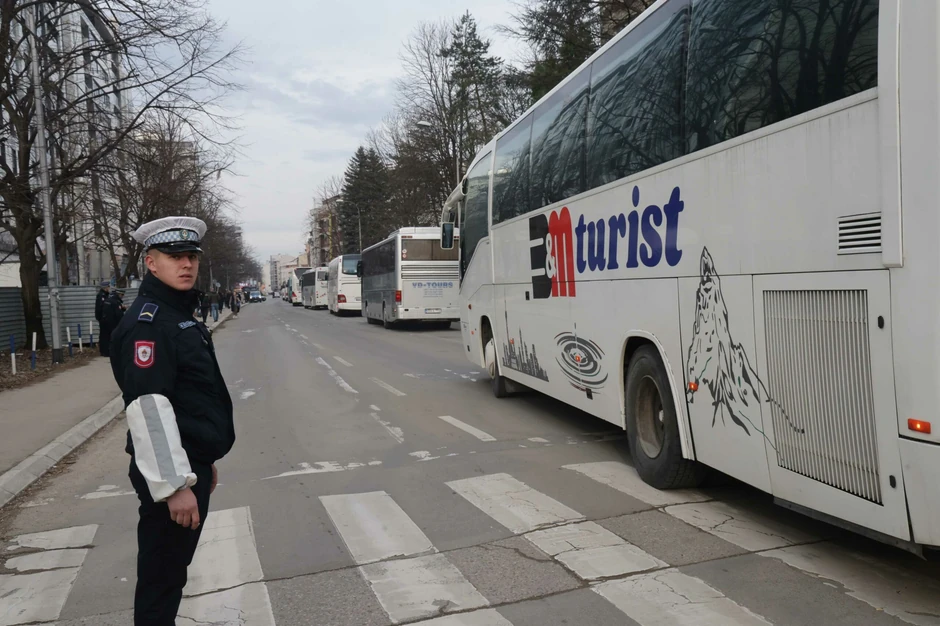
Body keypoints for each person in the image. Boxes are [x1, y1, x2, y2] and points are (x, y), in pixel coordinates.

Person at [109, 216, 235, 626]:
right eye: (174, 256)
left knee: (170, 574)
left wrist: (203, 459)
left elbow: (189, 400)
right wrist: (175, 484)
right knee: (161, 581)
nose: (186, 265)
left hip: (187, 465)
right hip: (172, 478)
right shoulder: (150, 323)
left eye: (191, 257)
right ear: (150, 262)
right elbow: (148, 406)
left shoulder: (174, 314)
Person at [98, 289, 126, 357]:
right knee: (112, 338)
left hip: (104, 322)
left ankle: (104, 352)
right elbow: (118, 314)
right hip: (113, 323)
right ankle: (111, 352)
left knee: (104, 337)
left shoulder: (107, 300)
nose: (122, 296)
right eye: (122, 295)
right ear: (119, 294)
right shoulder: (116, 302)